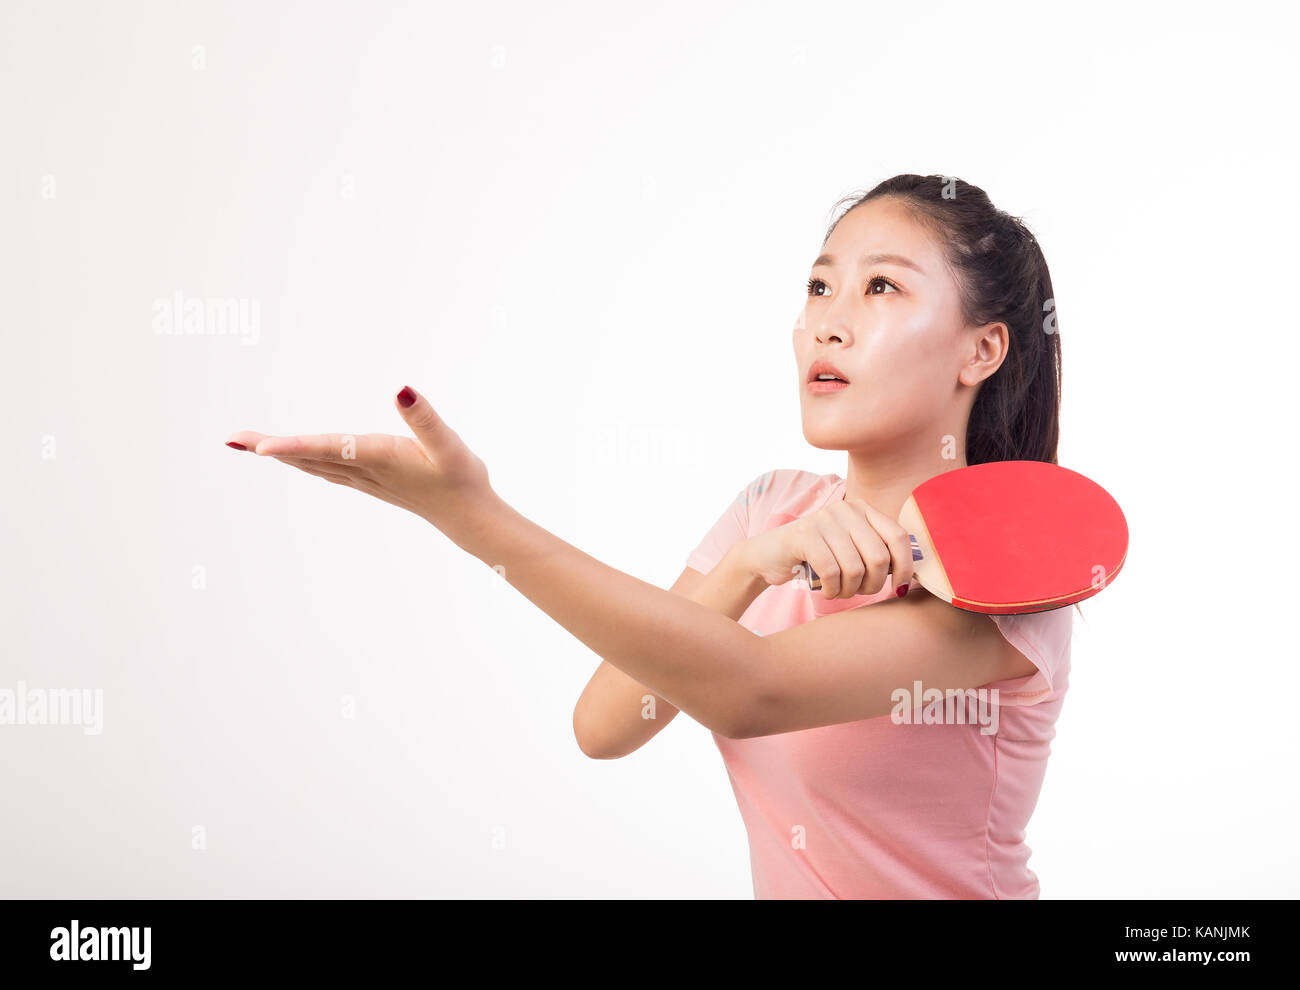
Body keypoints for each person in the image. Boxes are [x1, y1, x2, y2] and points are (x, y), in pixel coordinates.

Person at [226, 173, 1072, 899]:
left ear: (983, 349)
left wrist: (474, 520)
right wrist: (745, 567)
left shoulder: (1011, 571)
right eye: (819, 287)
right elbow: (607, 723)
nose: (827, 323)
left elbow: (749, 693)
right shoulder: (771, 508)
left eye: (880, 288)